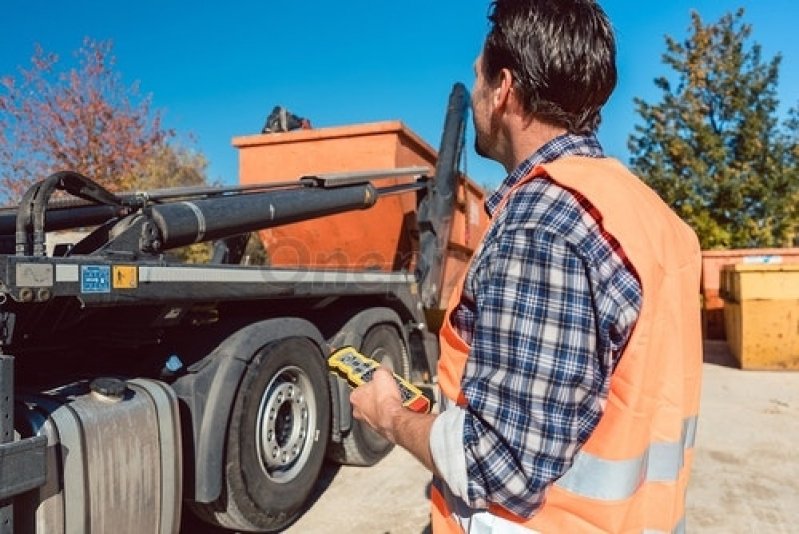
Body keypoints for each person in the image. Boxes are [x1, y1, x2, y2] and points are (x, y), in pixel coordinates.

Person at [350, 1, 703, 532]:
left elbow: (499, 467)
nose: (472, 97)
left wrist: (390, 417)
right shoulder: (657, 217)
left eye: (477, 77)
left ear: (504, 88)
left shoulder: (543, 222)